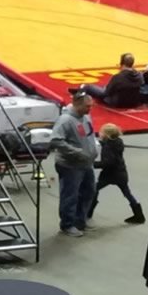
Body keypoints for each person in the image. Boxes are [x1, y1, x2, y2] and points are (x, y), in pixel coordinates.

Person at [51, 91, 98, 237]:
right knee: (70, 195)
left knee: (89, 191)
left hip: (86, 163)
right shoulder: (65, 121)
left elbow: (89, 135)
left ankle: (80, 221)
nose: (89, 109)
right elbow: (56, 140)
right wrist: (76, 152)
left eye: (91, 106)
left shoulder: (85, 116)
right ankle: (67, 225)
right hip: (70, 165)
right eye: (87, 106)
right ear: (77, 104)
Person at [94, 123, 145, 224]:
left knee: (93, 189)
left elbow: (108, 162)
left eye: (101, 132)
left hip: (110, 174)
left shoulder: (107, 147)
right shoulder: (118, 142)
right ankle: (139, 215)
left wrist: (93, 164)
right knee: (127, 193)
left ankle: (88, 212)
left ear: (106, 135)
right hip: (121, 172)